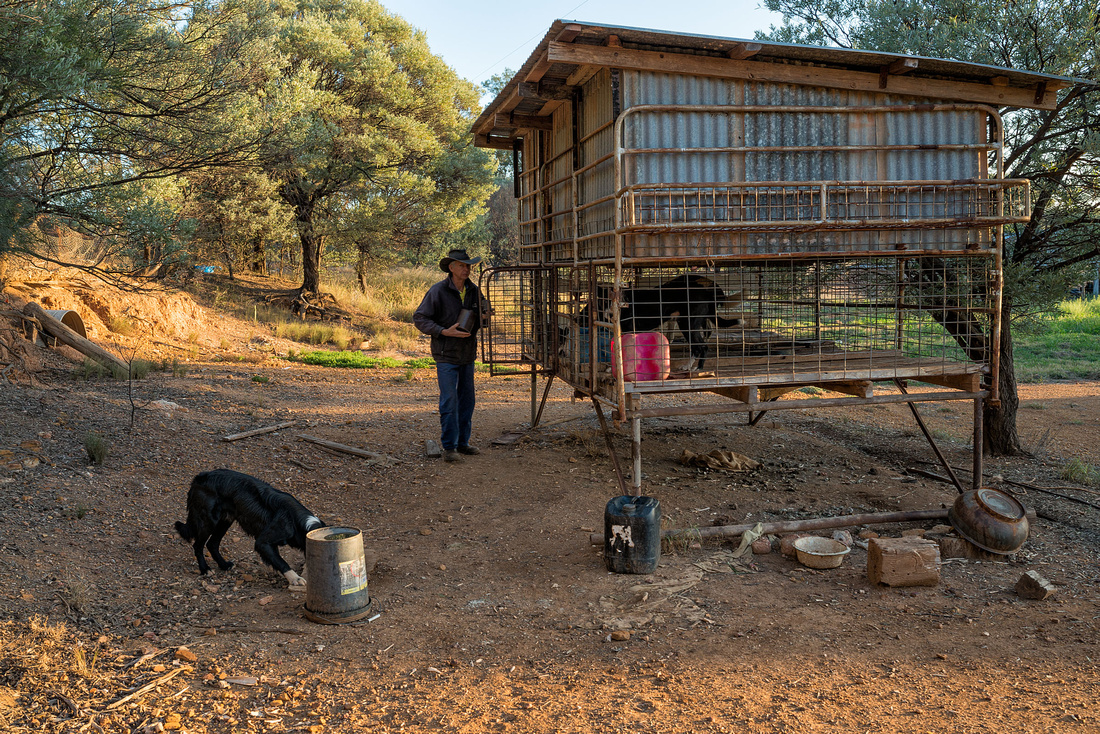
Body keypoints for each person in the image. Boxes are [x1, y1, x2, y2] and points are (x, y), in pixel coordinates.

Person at [413, 248, 489, 463]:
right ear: (451, 267)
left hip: (467, 354)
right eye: (462, 265)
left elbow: (485, 312)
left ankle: (462, 444)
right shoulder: (437, 291)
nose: (467, 269)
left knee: (467, 400)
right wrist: (444, 331)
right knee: (449, 400)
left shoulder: (474, 290)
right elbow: (420, 318)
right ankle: (450, 447)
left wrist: (485, 314)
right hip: (446, 354)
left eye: (468, 265)